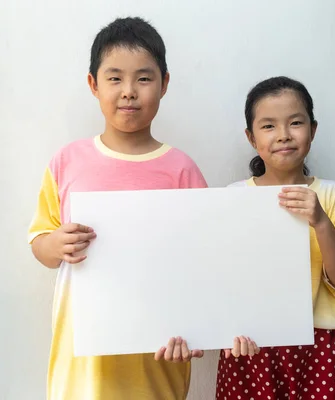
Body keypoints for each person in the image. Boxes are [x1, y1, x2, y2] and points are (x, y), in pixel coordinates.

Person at [27, 17, 207, 400]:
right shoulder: (67, 161)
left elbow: (201, 266)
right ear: (93, 84)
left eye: (143, 78)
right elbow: (40, 244)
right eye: (114, 78)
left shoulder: (182, 169)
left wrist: (198, 327)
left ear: (165, 84)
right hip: (83, 367)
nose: (129, 92)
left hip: (158, 359)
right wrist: (55, 244)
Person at [216, 76, 335, 400]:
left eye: (295, 123)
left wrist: (320, 221)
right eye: (268, 126)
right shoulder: (232, 199)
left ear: (312, 130)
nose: (283, 135)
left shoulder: (331, 195)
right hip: (250, 346)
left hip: (320, 347)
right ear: (251, 137)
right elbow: (219, 282)